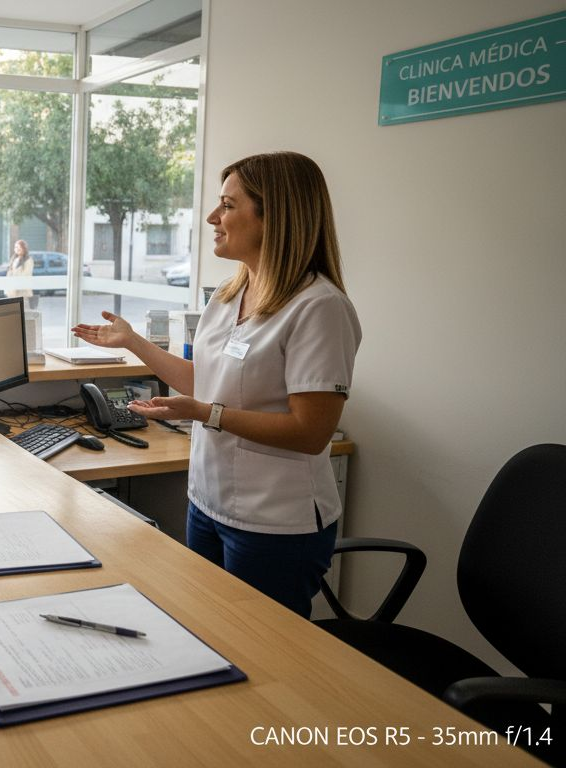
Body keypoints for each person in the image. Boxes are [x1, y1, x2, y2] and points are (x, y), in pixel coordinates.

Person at [72, 151, 361, 618]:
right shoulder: (229, 295)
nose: (212, 217)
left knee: (263, 656)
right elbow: (207, 381)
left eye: (227, 205)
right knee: (208, 631)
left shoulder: (319, 308)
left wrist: (206, 414)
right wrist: (133, 343)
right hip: (206, 502)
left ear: (274, 217)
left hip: (274, 520)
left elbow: (311, 433)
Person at [5, 239, 37, 309]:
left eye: (19, 247)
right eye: (16, 247)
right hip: (13, 293)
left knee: (24, 314)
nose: (17, 249)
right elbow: (9, 273)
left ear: (24, 248)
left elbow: (26, 274)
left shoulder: (28, 260)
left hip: (23, 293)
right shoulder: (14, 259)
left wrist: (14, 278)